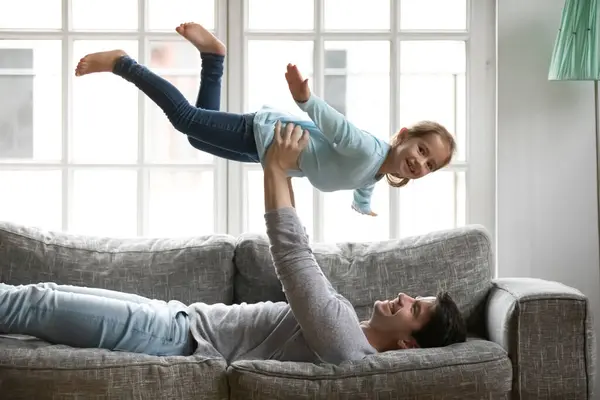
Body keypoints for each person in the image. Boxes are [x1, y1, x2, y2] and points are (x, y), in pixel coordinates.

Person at [0, 122, 467, 364]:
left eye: (415, 308)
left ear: (408, 343)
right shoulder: (348, 330)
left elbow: (292, 253)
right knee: (34, 299)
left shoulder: (343, 338)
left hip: (174, 337)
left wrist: (275, 166)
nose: (404, 297)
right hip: (176, 320)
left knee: (35, 305)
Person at [74, 22, 456, 216]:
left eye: (430, 164)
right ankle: (123, 63)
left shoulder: (376, 170)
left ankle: (213, 58)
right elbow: (339, 127)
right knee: (185, 119)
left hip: (268, 152)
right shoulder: (370, 149)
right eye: (422, 149)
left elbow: (363, 180)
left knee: (194, 135)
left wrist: (362, 204)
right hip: (269, 134)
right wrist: (305, 99)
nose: (420, 162)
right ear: (403, 135)